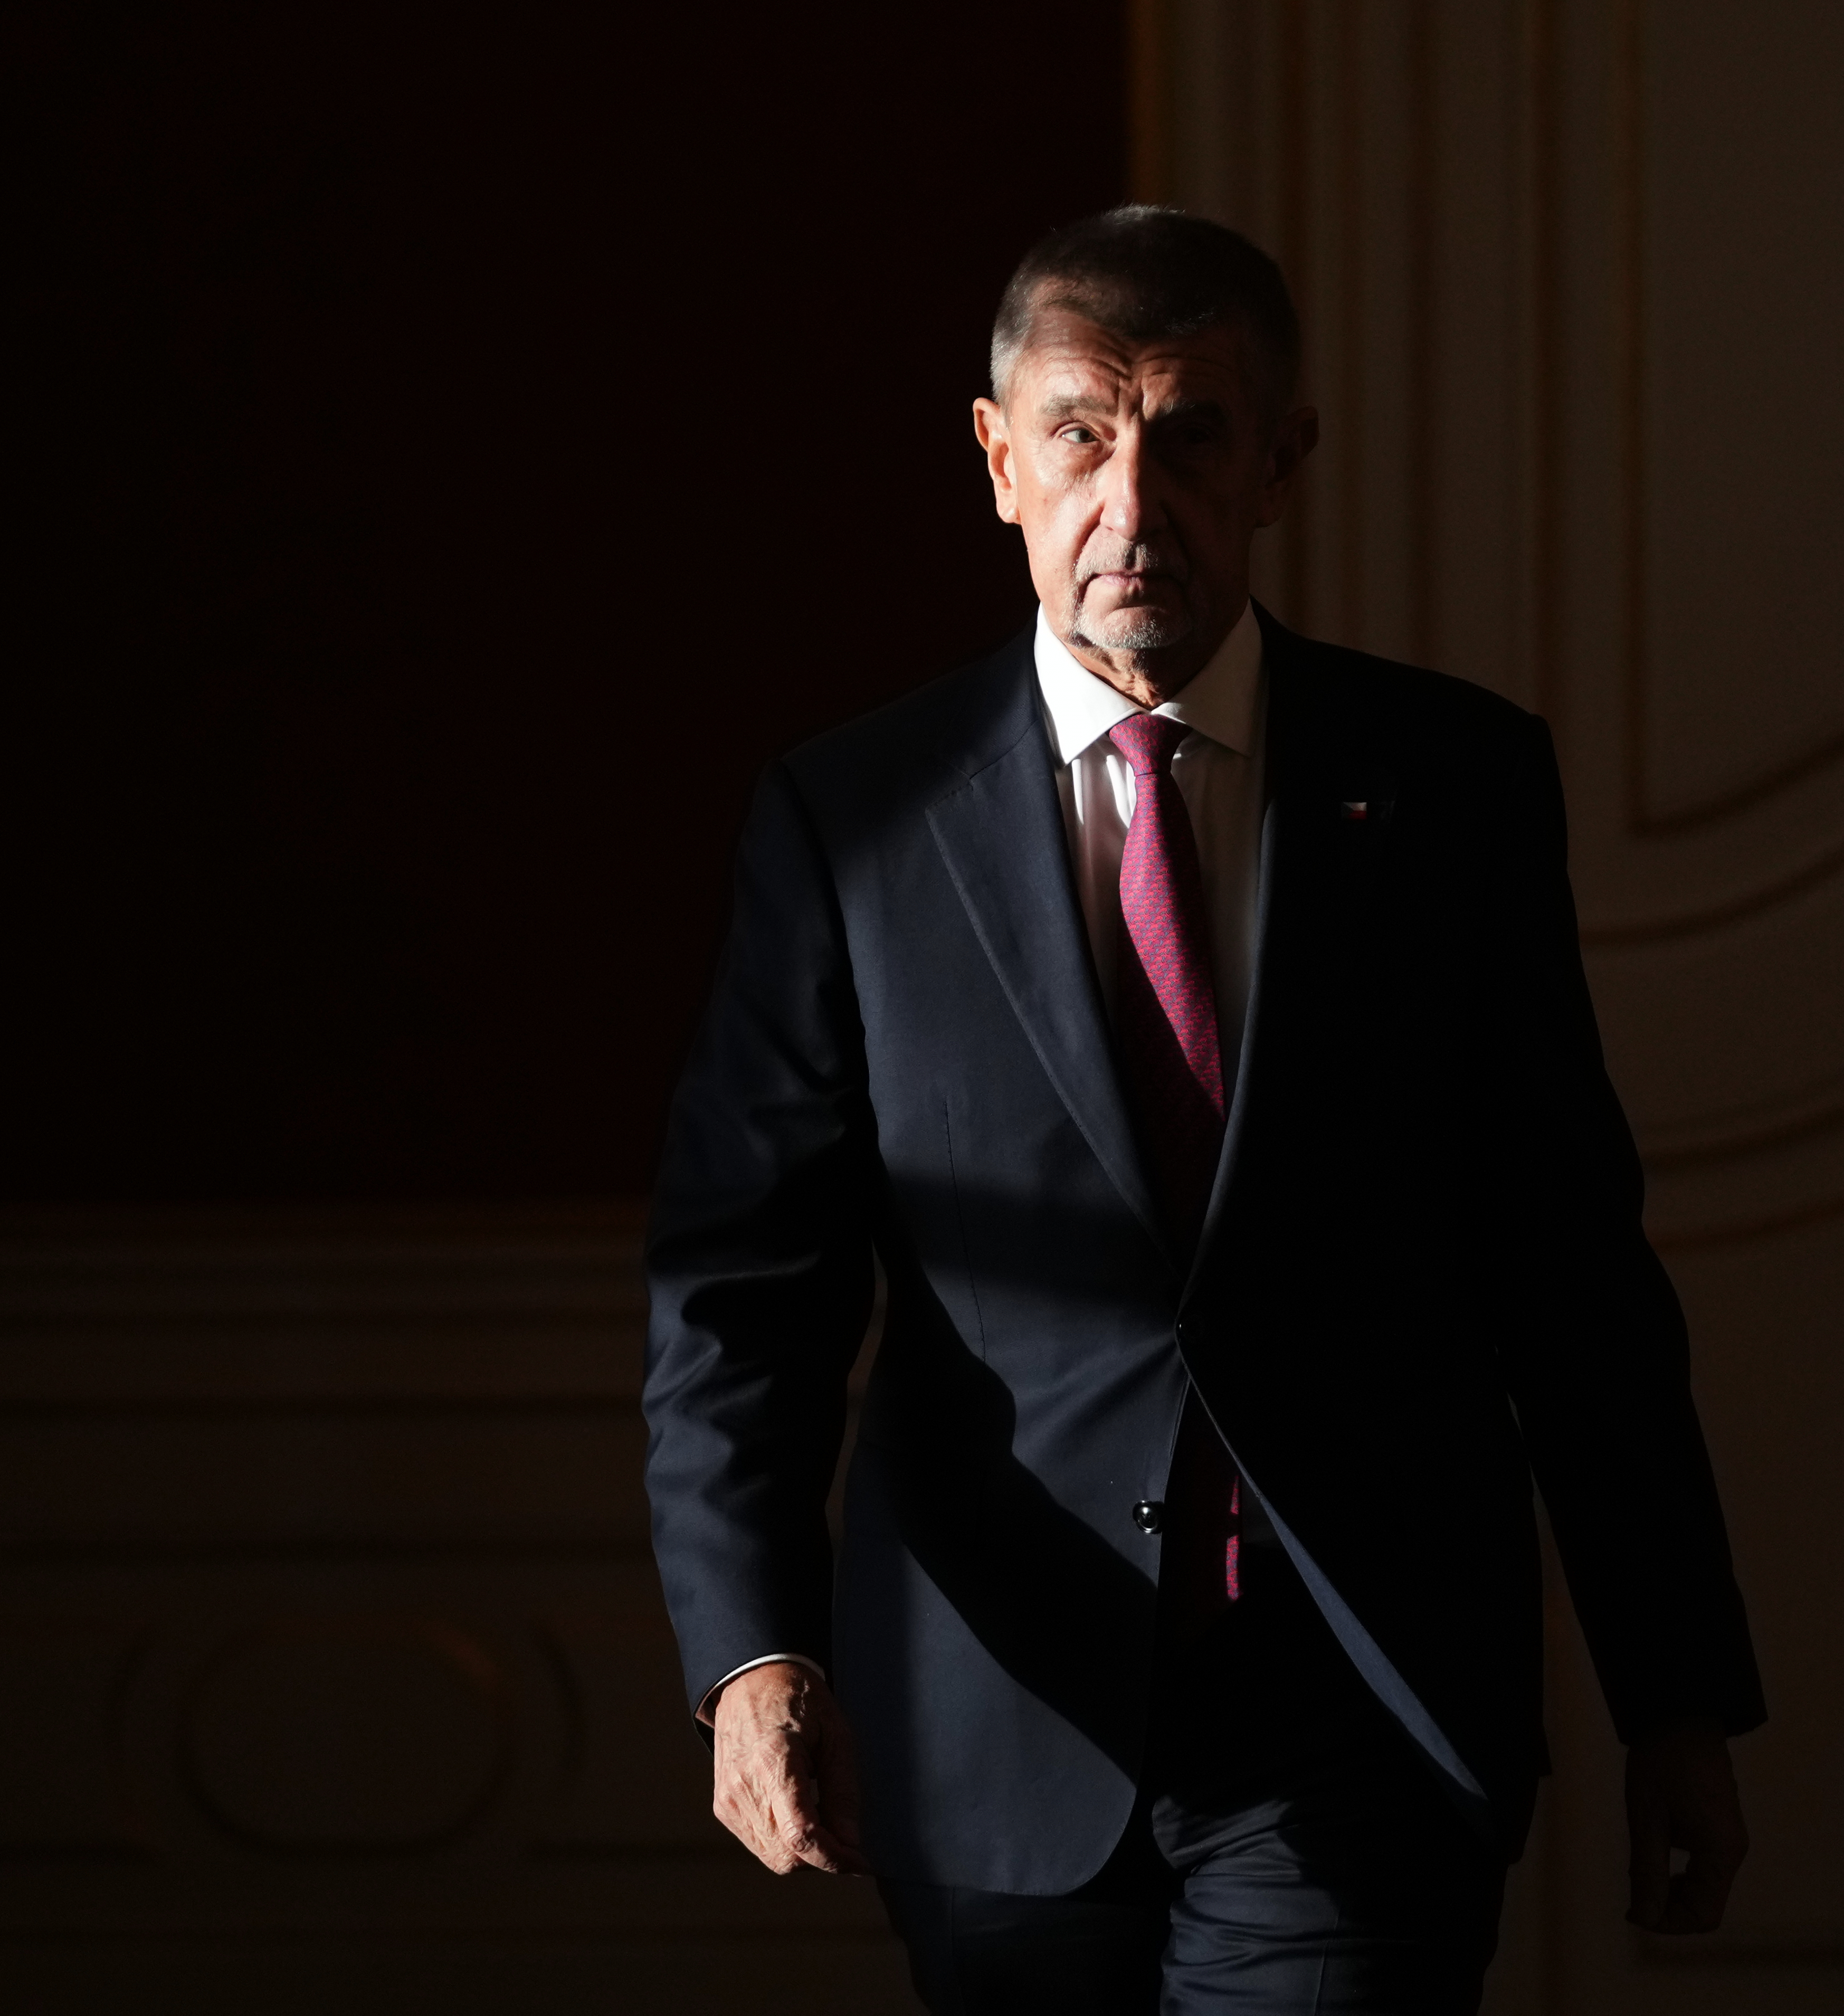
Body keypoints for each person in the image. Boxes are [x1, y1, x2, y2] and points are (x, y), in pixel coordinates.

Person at [641, 206, 1762, 2013]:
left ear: (1282, 463)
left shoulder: (1454, 787)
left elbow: (1566, 1269)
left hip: (1356, 1711)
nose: (1131, 499)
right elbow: (737, 1291)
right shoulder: (848, 820)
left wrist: (1676, 1697)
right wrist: (749, 1651)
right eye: (1081, 432)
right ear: (999, 460)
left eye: (1191, 433)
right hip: (994, 1714)